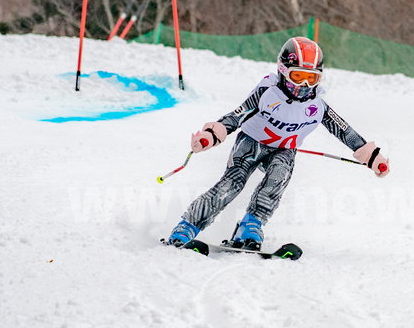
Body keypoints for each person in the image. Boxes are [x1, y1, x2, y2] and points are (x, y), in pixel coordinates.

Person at [163, 36, 390, 250]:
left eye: (311, 78)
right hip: (251, 144)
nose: (303, 85)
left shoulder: (317, 106)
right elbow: (236, 116)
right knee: (231, 185)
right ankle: (187, 227)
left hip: (284, 150)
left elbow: (345, 131)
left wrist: (372, 157)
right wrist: (211, 135)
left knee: (277, 180)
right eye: (297, 76)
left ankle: (251, 226)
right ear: (282, 71)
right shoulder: (267, 93)